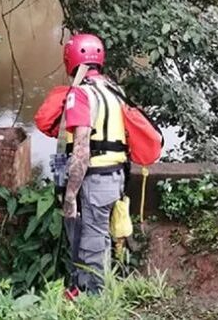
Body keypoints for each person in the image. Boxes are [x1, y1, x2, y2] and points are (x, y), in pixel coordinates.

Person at [60, 33, 128, 296]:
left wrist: (70, 195)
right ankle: (99, 290)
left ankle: (94, 301)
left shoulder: (82, 94)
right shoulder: (114, 91)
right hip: (117, 177)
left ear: (72, 60)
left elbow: (81, 150)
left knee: (91, 244)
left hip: (95, 180)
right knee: (103, 238)